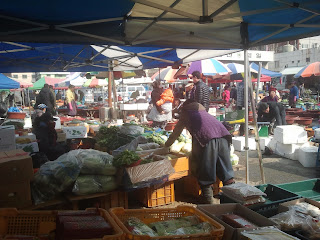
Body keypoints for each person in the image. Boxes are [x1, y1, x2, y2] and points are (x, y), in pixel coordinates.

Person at [165, 99, 235, 204]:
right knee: (226, 169)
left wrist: (166, 145)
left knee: (206, 169)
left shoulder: (186, 113)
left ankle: (208, 201)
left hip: (207, 139)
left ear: (185, 107)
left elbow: (177, 132)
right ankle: (234, 199)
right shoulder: (203, 112)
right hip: (224, 137)